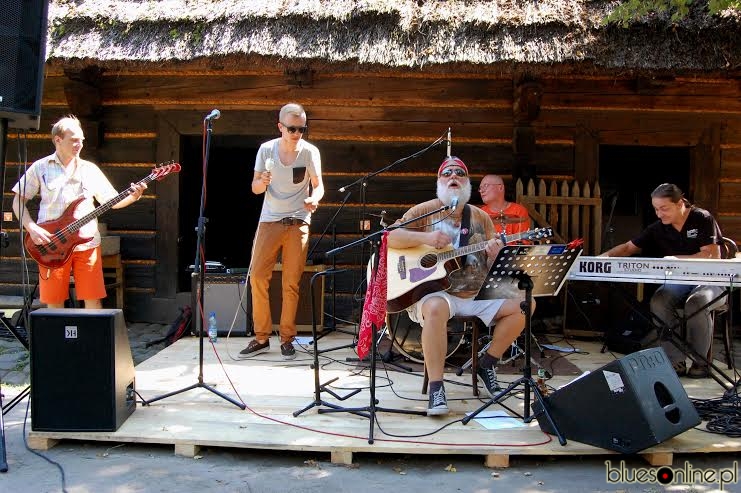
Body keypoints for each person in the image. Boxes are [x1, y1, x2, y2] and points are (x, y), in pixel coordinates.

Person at [387, 156, 531, 416]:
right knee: (434, 309)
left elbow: (491, 262)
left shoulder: (479, 217)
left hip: (474, 289)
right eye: (447, 173)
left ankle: (487, 364)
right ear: (439, 181)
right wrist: (427, 237)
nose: (454, 177)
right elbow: (391, 238)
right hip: (435, 291)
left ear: (467, 183)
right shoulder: (423, 211)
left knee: (525, 302)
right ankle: (437, 387)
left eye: (460, 174)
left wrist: (495, 254)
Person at [11, 115, 146, 309]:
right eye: (74, 140)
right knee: (54, 301)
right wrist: (31, 228)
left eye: (81, 140)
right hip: (52, 245)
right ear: (58, 140)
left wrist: (134, 196)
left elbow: (111, 201)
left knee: (93, 299)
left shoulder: (89, 170)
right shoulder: (40, 167)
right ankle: (58, 340)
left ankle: (94, 339)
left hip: (87, 244)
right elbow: (18, 201)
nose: (79, 144)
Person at [601, 183, 723, 378]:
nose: (659, 214)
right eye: (656, 209)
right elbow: (628, 247)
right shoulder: (659, 227)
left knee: (697, 302)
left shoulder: (702, 218)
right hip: (681, 281)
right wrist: (599, 260)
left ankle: (701, 362)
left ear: (680, 203)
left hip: (711, 279)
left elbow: (712, 255)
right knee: (659, 301)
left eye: (664, 208)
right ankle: (675, 360)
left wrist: (676, 259)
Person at [239, 103, 324, 361]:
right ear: (280, 127)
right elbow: (254, 188)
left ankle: (287, 339)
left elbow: (319, 186)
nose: (297, 133)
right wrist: (261, 182)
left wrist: (315, 200)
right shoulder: (267, 149)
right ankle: (262, 337)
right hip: (270, 220)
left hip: (298, 220)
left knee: (290, 282)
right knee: (257, 277)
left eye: (301, 128)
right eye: (292, 128)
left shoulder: (310, 152)